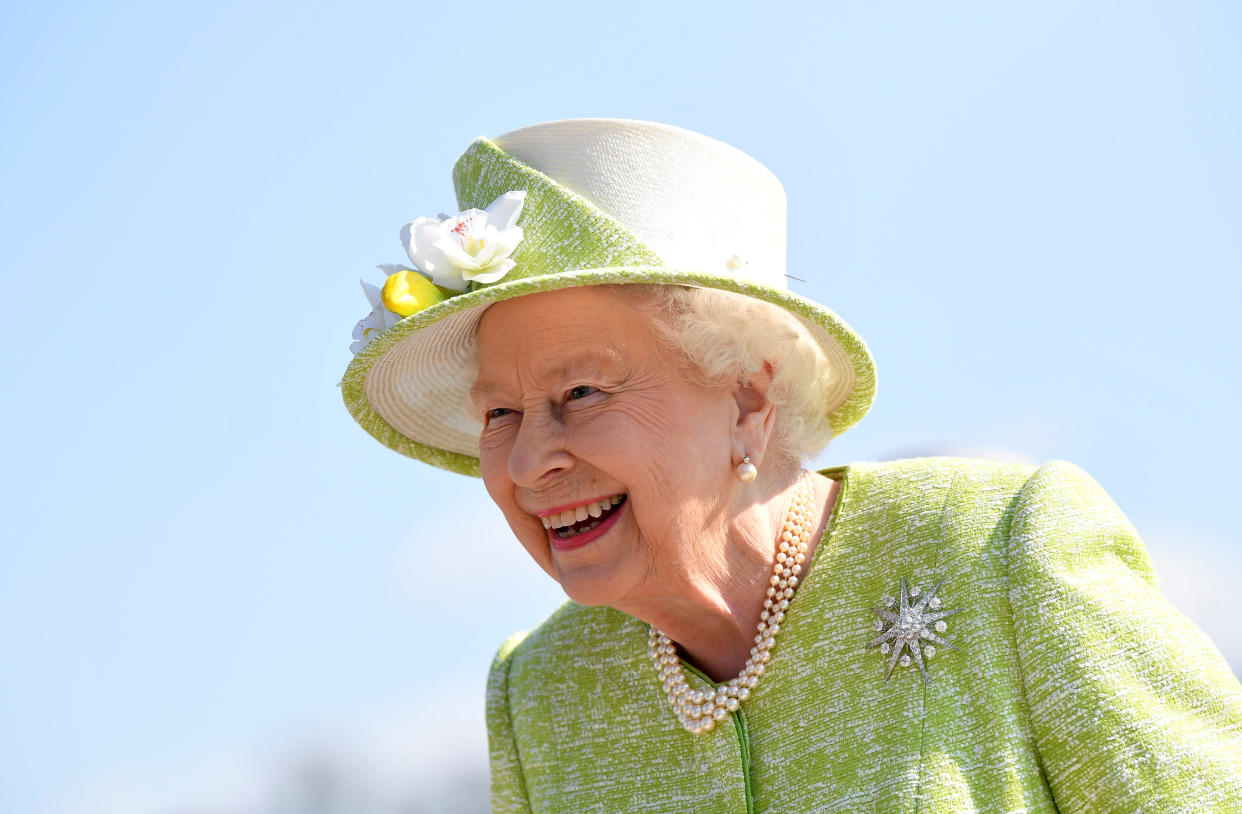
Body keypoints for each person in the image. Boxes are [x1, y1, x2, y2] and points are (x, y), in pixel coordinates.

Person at [340, 118, 1242, 812]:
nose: (531, 459)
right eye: (501, 413)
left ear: (747, 400)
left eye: (581, 394)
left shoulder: (1000, 547)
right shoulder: (539, 697)